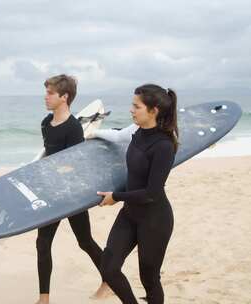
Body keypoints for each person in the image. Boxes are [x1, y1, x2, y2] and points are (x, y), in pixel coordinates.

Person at [96, 84, 178, 304]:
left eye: (136, 106)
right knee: (109, 268)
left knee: (149, 278)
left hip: (154, 219)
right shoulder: (137, 134)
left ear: (153, 111)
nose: (131, 110)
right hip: (130, 214)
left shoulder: (164, 145)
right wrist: (116, 193)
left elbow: (152, 192)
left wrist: (117, 196)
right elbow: (133, 177)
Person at [35, 74, 111, 304]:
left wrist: (58, 171)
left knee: (85, 241)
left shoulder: (73, 128)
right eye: (46, 92)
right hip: (51, 191)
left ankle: (109, 282)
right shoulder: (46, 123)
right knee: (43, 243)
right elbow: (48, 154)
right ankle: (44, 298)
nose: (45, 96)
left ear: (64, 97)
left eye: (50, 93)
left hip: (71, 194)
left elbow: (76, 164)